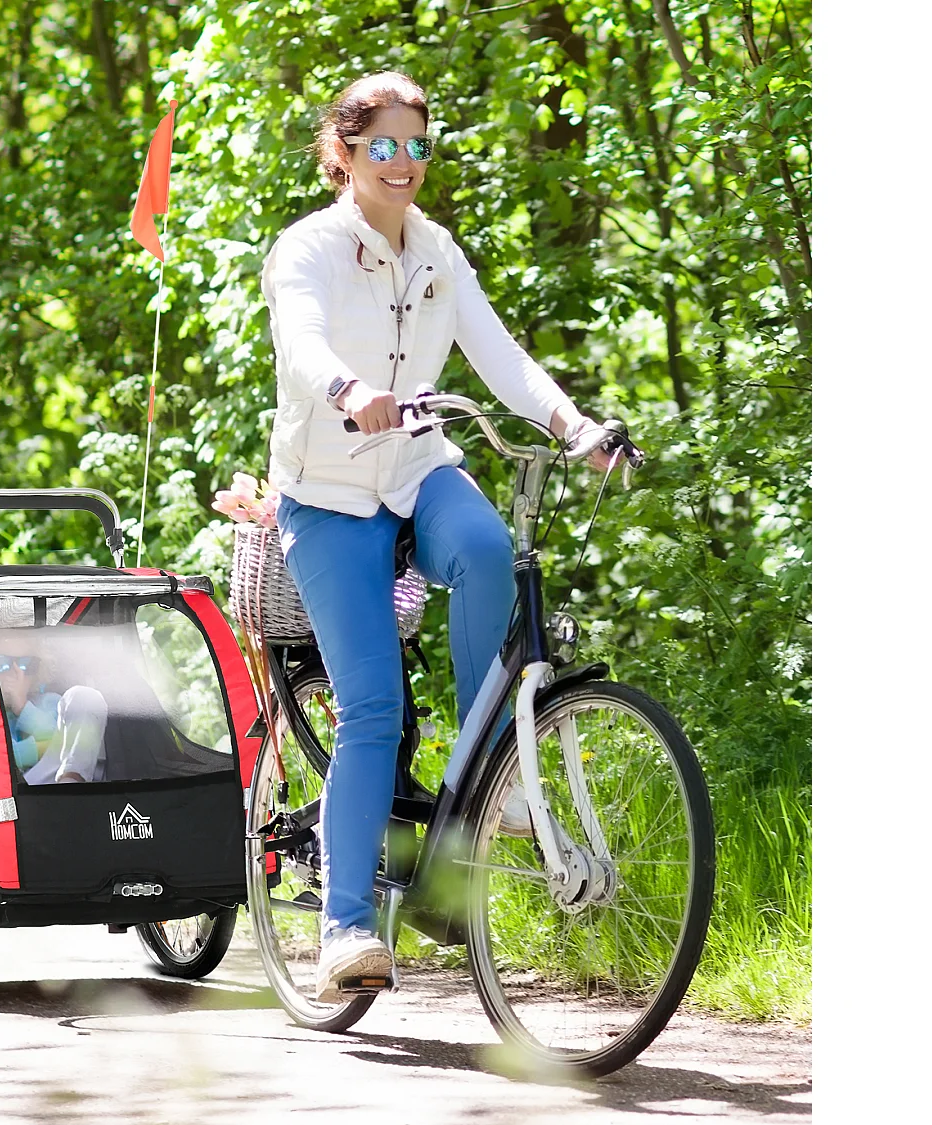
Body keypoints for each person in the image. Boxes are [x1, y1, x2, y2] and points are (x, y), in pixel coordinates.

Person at [260, 71, 613, 1002]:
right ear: (343, 154)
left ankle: (482, 771)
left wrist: (574, 427)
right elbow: (301, 344)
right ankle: (344, 928)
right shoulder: (308, 251)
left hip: (416, 469)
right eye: (385, 146)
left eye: (420, 145)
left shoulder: (437, 253)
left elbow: (500, 355)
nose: (406, 163)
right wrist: (347, 391)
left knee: (490, 549)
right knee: (372, 707)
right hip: (329, 494)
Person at [0, 630, 109, 784]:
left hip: (55, 781)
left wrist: (21, 705)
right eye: (3, 663)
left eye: (26, 664)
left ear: (38, 671)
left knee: (84, 696)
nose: (16, 673)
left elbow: (59, 741)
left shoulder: (52, 703)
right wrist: (33, 750)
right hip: (14, 792)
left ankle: (72, 783)